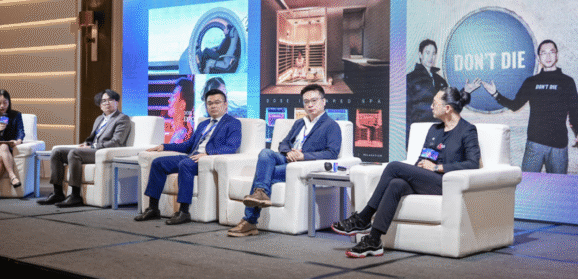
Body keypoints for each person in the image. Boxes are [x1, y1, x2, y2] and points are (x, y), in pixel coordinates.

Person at [332, 87, 480, 258]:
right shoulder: (434, 129)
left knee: (394, 167)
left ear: (447, 108)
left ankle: (364, 218)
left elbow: (473, 163)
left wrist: (437, 168)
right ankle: (374, 240)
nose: (431, 107)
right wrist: (419, 168)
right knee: (396, 184)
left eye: (434, 103)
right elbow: (423, 158)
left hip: (446, 183)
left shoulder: (467, 130)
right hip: (426, 180)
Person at [227, 84, 341, 237]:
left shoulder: (331, 126)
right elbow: (284, 143)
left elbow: (332, 153)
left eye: (314, 100)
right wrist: (289, 152)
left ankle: (250, 220)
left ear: (323, 101)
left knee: (266, 172)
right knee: (266, 153)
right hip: (288, 158)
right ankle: (260, 194)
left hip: (302, 165)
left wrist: (303, 156)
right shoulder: (300, 123)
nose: (310, 105)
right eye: (306, 102)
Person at [135, 88, 241, 225]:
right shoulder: (203, 124)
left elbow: (232, 146)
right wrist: (164, 146)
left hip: (208, 160)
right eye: (210, 103)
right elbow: (187, 146)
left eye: (217, 102)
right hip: (192, 156)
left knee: (185, 165)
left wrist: (208, 155)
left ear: (225, 105)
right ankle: (153, 209)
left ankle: (184, 212)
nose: (213, 106)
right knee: (158, 163)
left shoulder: (233, 123)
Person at [481, 39, 578, 174]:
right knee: (527, 183)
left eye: (551, 52)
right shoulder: (531, 82)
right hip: (534, 144)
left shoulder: (567, 82)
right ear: (539, 57)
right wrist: (495, 94)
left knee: (558, 185)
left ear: (557, 55)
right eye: (543, 53)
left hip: (559, 146)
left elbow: (574, 113)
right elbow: (515, 105)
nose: (548, 56)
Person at [37, 90, 131, 207]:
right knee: (57, 152)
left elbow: (116, 142)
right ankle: (57, 193)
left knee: (74, 153)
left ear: (117, 102)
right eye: (103, 101)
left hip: (103, 152)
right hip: (93, 149)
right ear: (100, 105)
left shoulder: (122, 119)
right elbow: (92, 138)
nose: (107, 103)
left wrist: (92, 146)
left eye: (110, 100)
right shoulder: (99, 119)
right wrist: (86, 144)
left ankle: (75, 196)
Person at [406, 39, 480, 145]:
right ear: (420, 54)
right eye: (427, 53)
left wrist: (465, 91)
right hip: (420, 133)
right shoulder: (410, 78)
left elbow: (450, 104)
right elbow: (407, 113)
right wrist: (409, 140)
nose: (431, 57)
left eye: (434, 53)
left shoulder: (440, 80)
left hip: (440, 133)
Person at [0, 90, 25, 188]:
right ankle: (12, 176)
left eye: (4, 103)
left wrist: (18, 141)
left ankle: (12, 176)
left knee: (3, 147)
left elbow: (21, 131)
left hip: (8, 147)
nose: (2, 106)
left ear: (9, 102)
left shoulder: (16, 115)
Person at [166, 77, 194, 143]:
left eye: (173, 96)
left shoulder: (181, 137)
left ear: (183, 104)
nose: (169, 100)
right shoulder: (179, 133)